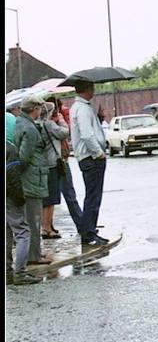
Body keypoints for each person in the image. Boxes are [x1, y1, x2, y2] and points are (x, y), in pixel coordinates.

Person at [69, 81, 110, 246]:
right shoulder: (83, 109)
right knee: (93, 197)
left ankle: (90, 230)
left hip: (86, 157)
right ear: (87, 89)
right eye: (92, 87)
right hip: (91, 158)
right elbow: (87, 135)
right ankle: (89, 234)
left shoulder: (78, 108)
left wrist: (98, 119)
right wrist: (98, 153)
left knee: (92, 196)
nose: (94, 89)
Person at [13, 94, 52, 265]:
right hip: (32, 179)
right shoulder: (29, 128)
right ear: (34, 109)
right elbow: (24, 157)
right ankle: (33, 256)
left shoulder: (21, 123)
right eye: (39, 108)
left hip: (30, 177)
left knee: (30, 219)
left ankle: (35, 252)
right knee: (33, 220)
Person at [40, 101, 83, 239]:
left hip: (46, 164)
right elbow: (64, 132)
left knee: (48, 198)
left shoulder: (39, 125)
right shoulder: (50, 124)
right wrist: (62, 120)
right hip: (56, 163)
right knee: (56, 197)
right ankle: (47, 228)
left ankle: (47, 226)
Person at [6, 133, 41, 285]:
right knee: (22, 232)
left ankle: (7, 271)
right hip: (10, 196)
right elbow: (12, 176)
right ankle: (20, 272)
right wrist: (20, 199)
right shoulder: (10, 149)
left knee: (7, 233)